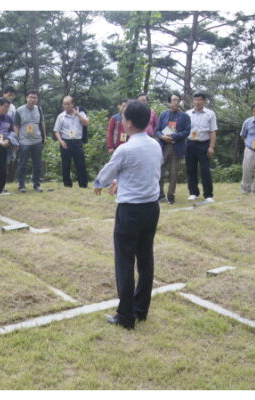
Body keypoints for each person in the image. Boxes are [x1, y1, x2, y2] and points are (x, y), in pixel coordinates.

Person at [93, 100, 163, 330]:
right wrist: (119, 181)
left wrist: (102, 182)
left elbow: (107, 173)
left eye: (123, 118)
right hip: (151, 208)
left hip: (130, 210)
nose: (120, 121)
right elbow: (143, 172)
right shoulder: (155, 145)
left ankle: (125, 316)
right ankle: (141, 310)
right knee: (145, 259)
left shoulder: (126, 148)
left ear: (129, 123)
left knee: (124, 262)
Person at [154, 93, 191, 204]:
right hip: (163, 147)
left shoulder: (184, 116)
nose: (176, 102)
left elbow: (187, 132)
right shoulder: (164, 114)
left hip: (177, 147)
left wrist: (173, 136)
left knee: (173, 173)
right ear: (169, 102)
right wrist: (162, 136)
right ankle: (160, 195)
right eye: (174, 100)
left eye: (178, 100)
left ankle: (171, 196)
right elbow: (157, 130)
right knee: (160, 172)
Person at [186, 92, 218, 202]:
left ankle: (208, 195)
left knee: (205, 170)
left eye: (199, 99)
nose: (197, 102)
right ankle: (193, 192)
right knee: (191, 169)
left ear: (204, 101)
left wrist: (211, 146)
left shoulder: (210, 114)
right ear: (193, 101)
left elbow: (213, 131)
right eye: (195, 99)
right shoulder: (188, 113)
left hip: (203, 144)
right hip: (190, 143)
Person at [53, 96, 89, 188]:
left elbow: (86, 123)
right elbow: (56, 131)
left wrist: (78, 114)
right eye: (65, 104)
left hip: (77, 141)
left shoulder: (81, 113)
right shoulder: (61, 116)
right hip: (66, 142)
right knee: (66, 164)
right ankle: (67, 184)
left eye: (68, 104)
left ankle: (83, 184)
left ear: (73, 104)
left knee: (80, 164)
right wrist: (60, 141)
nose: (67, 106)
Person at [14, 89, 46, 193]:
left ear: (37, 99)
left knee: (37, 165)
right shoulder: (19, 110)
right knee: (22, 164)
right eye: (31, 97)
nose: (33, 99)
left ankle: (36, 185)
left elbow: (42, 123)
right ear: (26, 98)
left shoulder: (39, 109)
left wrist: (44, 137)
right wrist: (17, 140)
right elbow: (16, 126)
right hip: (24, 141)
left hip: (37, 140)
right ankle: (21, 185)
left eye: (35, 97)